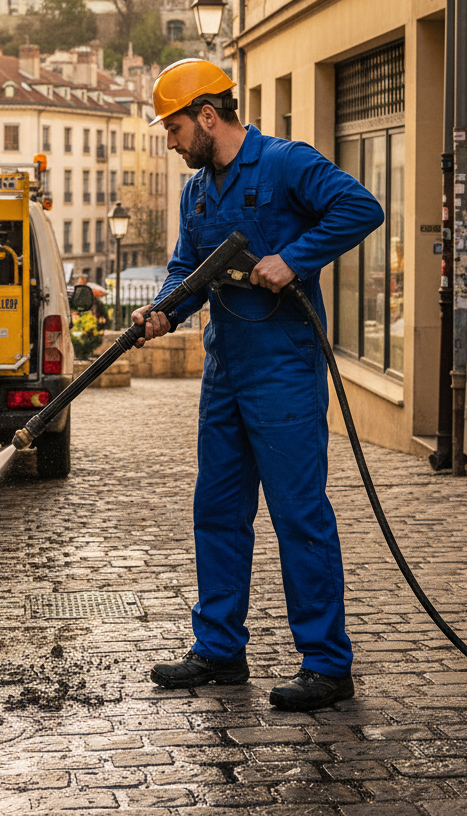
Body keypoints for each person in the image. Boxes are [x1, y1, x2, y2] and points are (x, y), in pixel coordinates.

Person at [133, 58, 384, 712]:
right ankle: (219, 651)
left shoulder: (285, 163)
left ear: (209, 117)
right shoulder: (198, 192)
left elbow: (361, 207)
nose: (171, 140)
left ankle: (328, 665)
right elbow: (189, 268)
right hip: (225, 368)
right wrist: (162, 310)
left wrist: (293, 260)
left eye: (176, 127)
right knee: (216, 510)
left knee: (299, 515)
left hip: (284, 367)